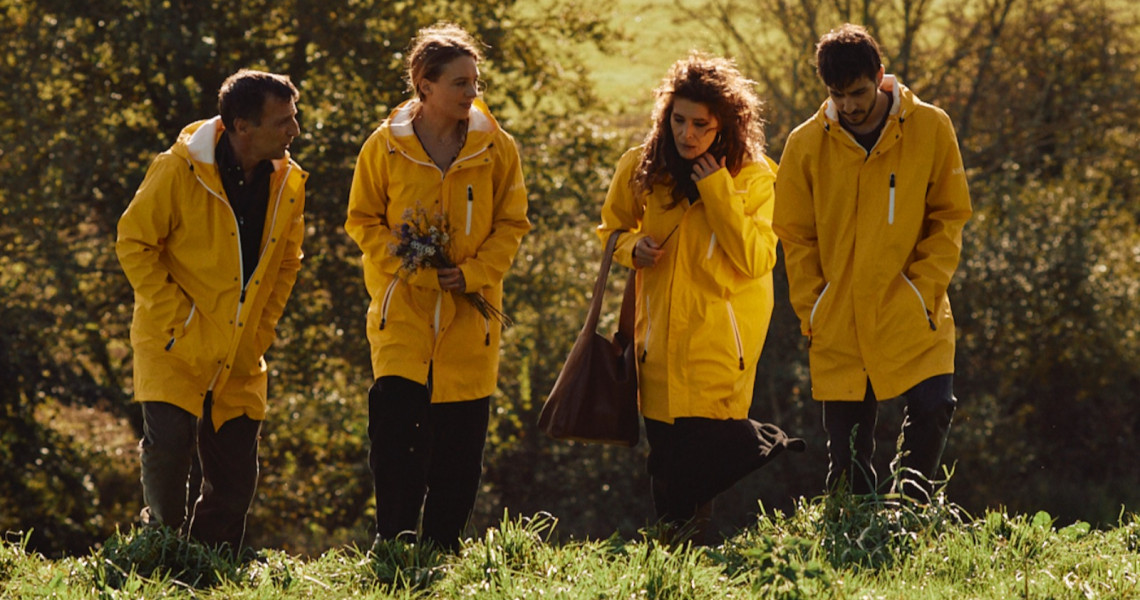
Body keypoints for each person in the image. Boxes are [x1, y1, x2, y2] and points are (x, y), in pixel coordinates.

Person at [598, 52, 804, 539]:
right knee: (665, 460)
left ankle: (694, 536)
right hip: (657, 346)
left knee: (698, 455)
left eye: (701, 125)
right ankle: (682, 555)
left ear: (726, 126)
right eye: (678, 120)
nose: (687, 134)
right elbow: (610, 230)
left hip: (719, 346)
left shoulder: (755, 179)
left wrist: (715, 187)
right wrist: (632, 247)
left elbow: (756, 258)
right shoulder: (643, 167)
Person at [345, 22, 530, 551]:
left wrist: (472, 275)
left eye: (476, 83)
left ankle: (445, 551)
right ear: (424, 86)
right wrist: (409, 265)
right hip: (400, 317)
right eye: (460, 83)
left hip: (471, 325)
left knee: (459, 450)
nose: (473, 94)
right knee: (396, 439)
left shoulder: (499, 149)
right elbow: (362, 220)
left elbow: (513, 224)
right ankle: (394, 544)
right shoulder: (383, 149)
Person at [773, 24, 973, 500]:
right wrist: (812, 306)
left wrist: (923, 291)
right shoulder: (805, 145)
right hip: (837, 317)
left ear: (880, 76)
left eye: (858, 92)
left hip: (913, 310)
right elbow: (794, 236)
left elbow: (950, 215)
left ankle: (913, 512)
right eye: (837, 95)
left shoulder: (931, 126)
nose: (849, 105)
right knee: (846, 457)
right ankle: (850, 537)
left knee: (934, 407)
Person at [116, 69, 306, 550]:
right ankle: (162, 545)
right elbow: (134, 243)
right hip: (171, 340)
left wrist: (261, 332)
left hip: (242, 348)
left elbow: (287, 263)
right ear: (243, 126)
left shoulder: (289, 182)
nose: (295, 130)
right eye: (283, 120)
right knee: (168, 450)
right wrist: (177, 319)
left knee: (236, 475)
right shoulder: (176, 169)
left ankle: (209, 564)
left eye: (294, 117)